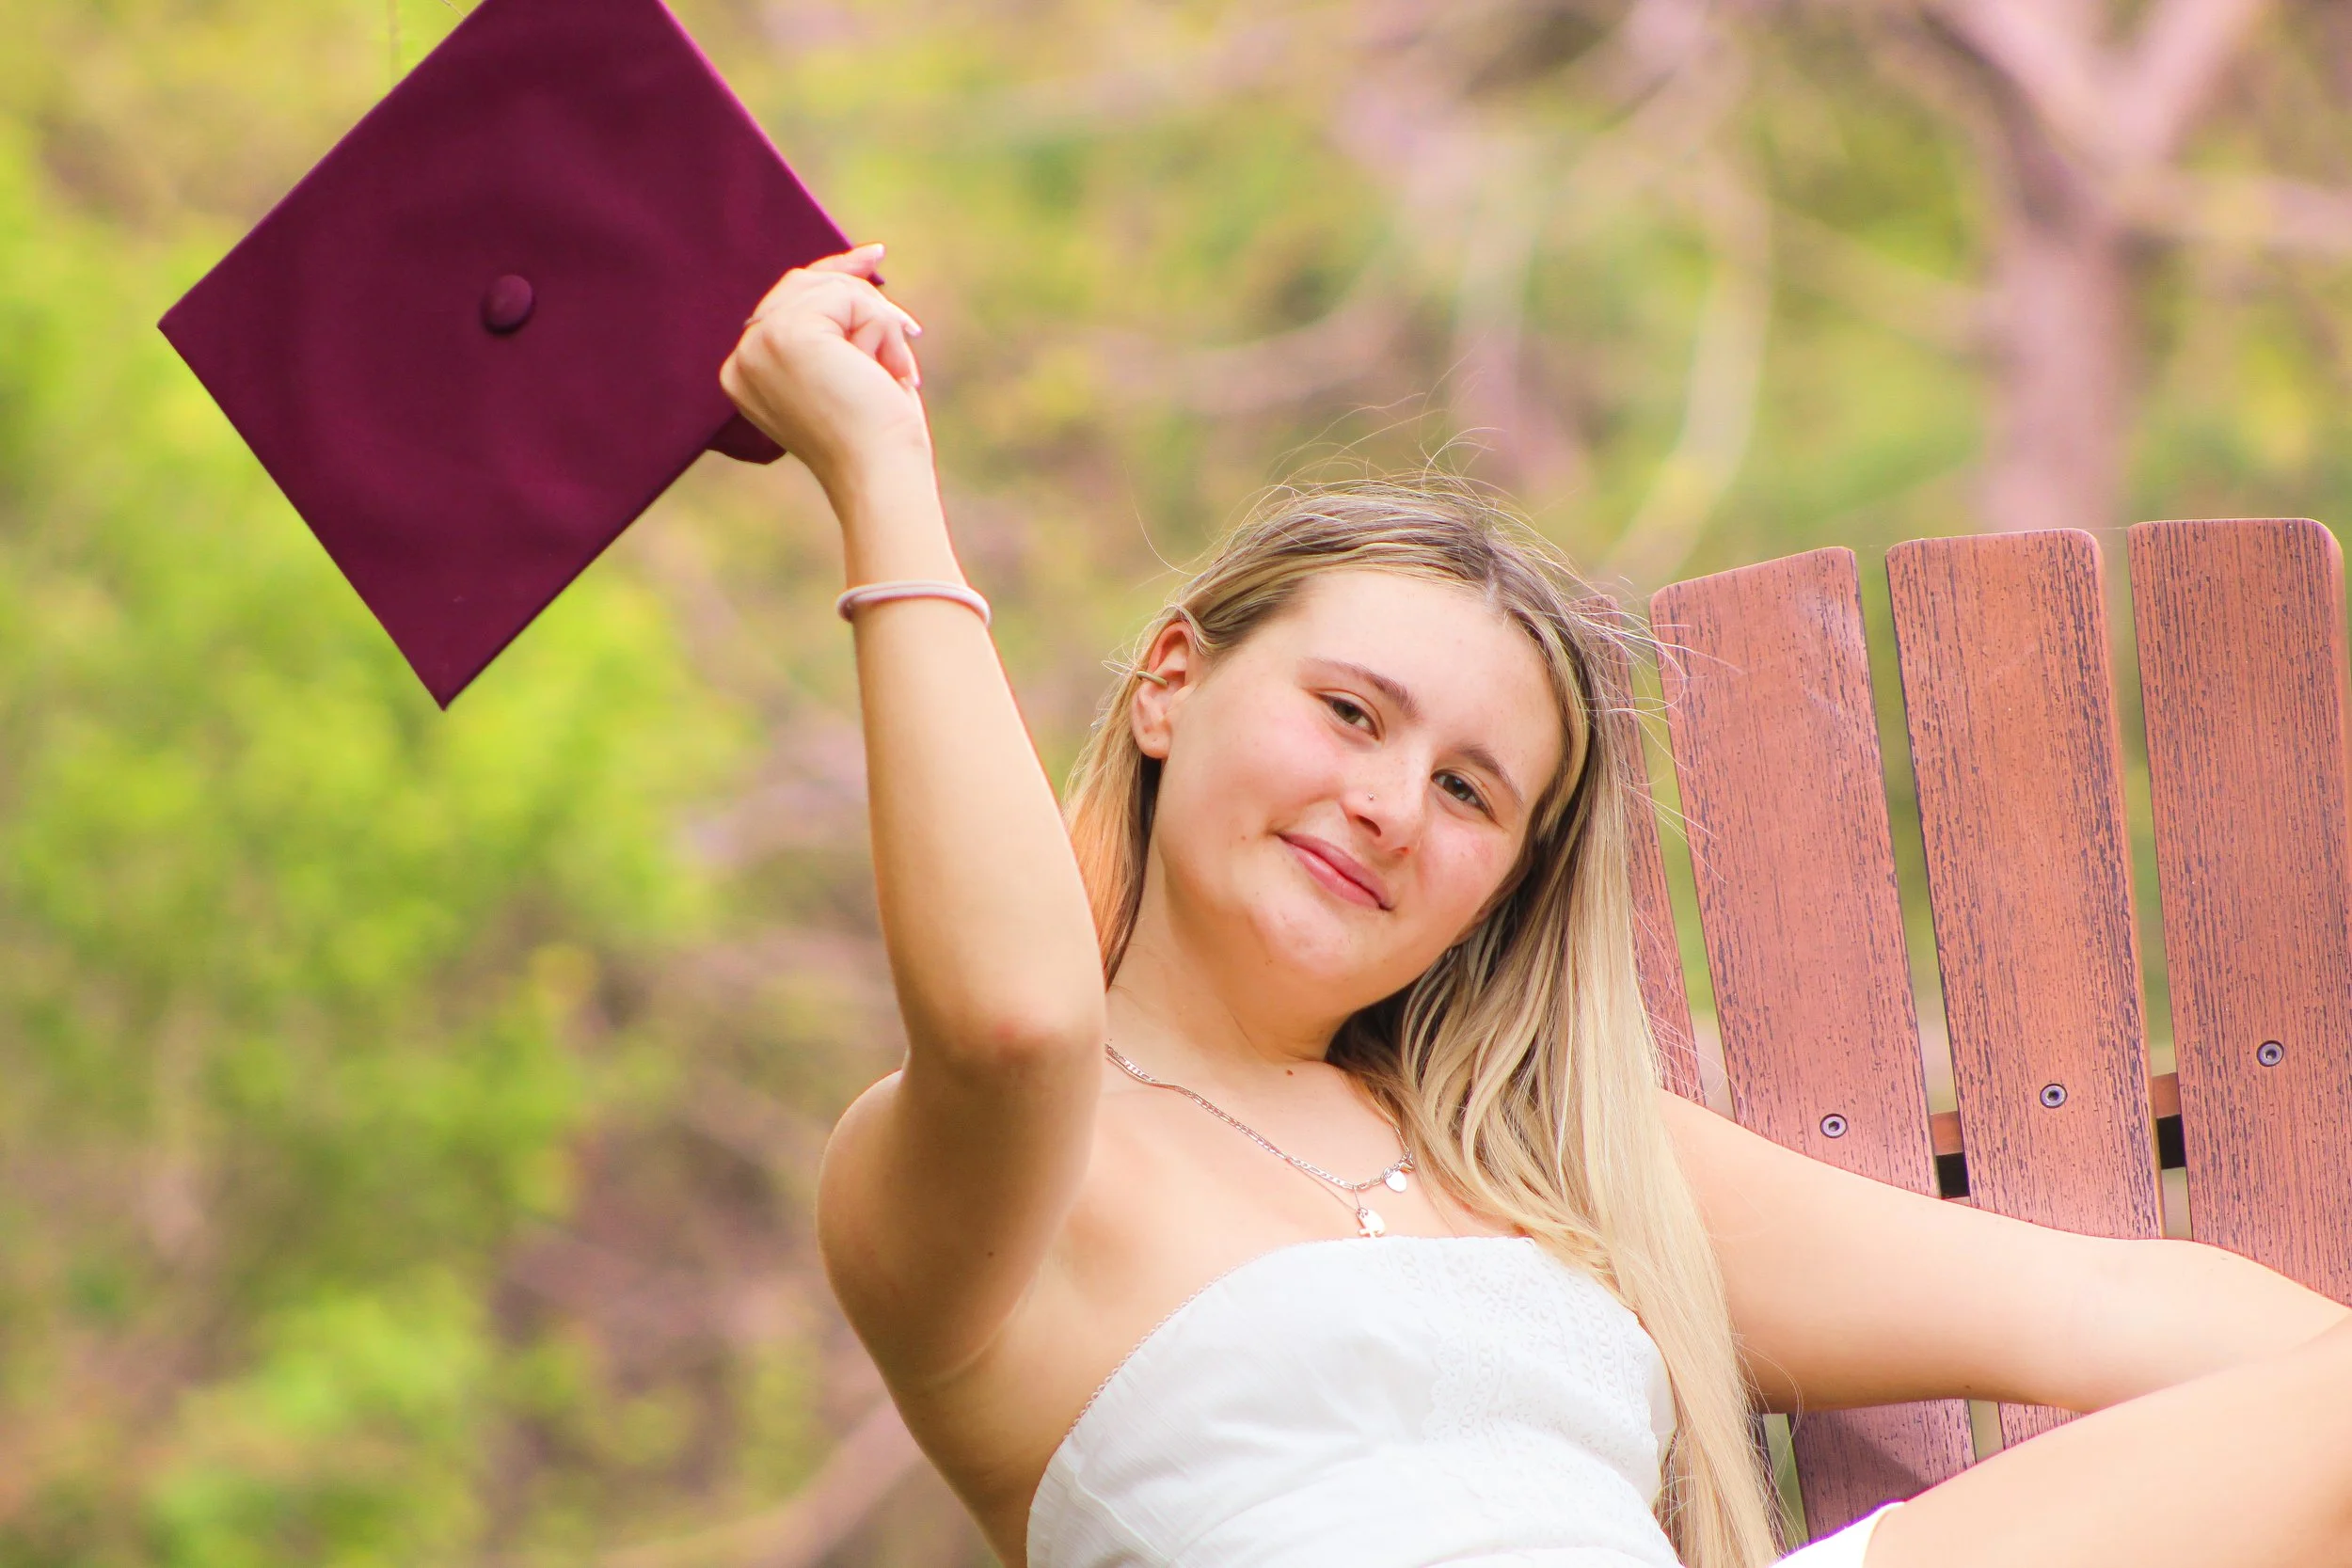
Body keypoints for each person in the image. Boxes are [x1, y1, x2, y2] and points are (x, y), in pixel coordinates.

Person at [718, 244, 2352, 1568]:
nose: (1386, 804)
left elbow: (2099, 1306)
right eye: (1351, 714)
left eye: (1467, 790)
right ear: (1168, 682)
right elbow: (1014, 1014)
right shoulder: (976, 1180)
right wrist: (879, 465)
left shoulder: (1538, 1159)